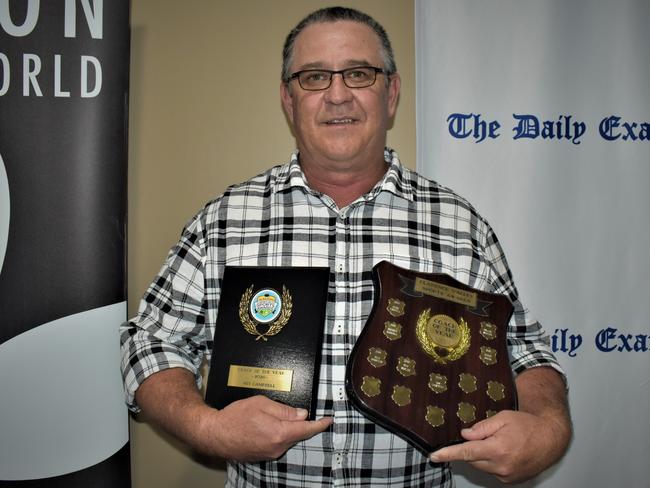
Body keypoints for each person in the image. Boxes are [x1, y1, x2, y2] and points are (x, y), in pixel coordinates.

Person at [121, 6, 571, 487]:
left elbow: (521, 350)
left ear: (391, 92)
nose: (338, 96)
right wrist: (207, 426)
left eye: (358, 74)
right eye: (314, 77)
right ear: (288, 100)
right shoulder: (226, 221)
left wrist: (548, 428)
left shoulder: (460, 226)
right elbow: (149, 342)